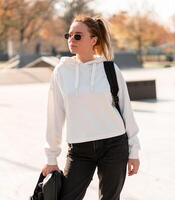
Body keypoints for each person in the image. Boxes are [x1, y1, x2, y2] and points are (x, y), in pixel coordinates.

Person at [42, 15, 141, 200]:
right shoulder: (62, 71)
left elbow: (126, 111)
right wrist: (51, 158)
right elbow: (54, 116)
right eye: (69, 35)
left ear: (93, 40)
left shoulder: (110, 69)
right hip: (79, 150)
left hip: (114, 144)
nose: (72, 39)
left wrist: (134, 151)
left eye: (78, 36)